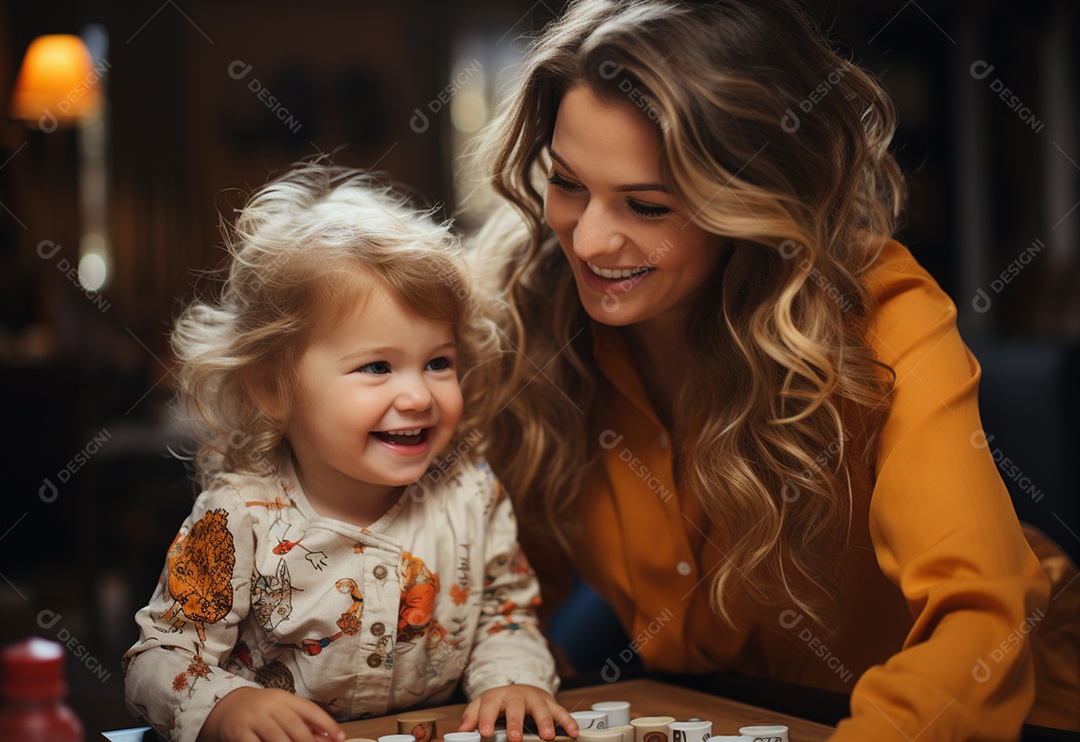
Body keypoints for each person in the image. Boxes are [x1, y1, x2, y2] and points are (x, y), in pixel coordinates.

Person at [466, 1, 1080, 740]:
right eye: (568, 184)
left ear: (751, 200)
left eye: (648, 205)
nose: (589, 239)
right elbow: (500, 588)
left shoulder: (883, 312)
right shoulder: (528, 313)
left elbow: (980, 622)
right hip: (733, 712)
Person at [123, 162, 576, 742]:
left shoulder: (472, 493)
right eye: (376, 367)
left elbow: (505, 615)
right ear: (272, 387)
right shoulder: (238, 517)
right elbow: (158, 656)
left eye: (438, 362)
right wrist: (223, 707)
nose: (417, 395)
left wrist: (512, 680)